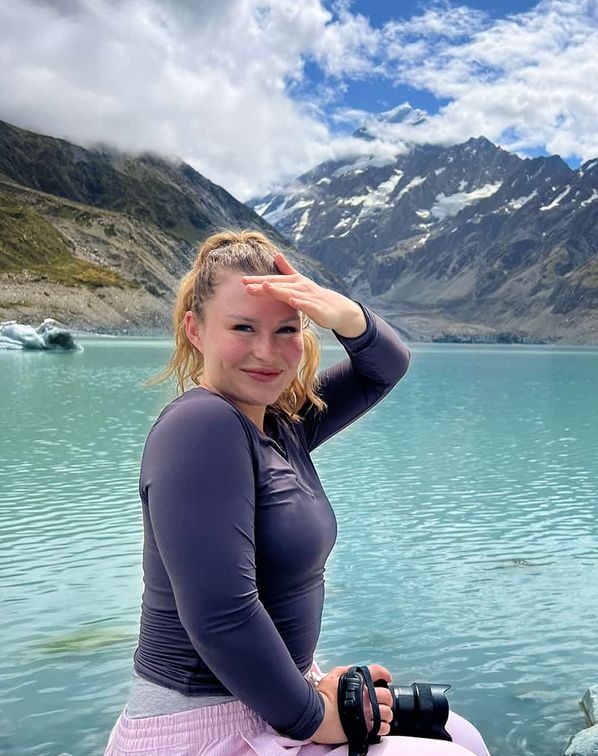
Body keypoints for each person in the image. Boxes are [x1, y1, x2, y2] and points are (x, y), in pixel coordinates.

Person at [104, 230, 490, 755]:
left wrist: (342, 312)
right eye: (242, 327)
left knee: (461, 735)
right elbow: (221, 618)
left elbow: (385, 366)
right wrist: (317, 718)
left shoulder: (280, 423)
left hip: (277, 698)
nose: (267, 352)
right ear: (195, 330)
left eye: (287, 329)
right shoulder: (201, 425)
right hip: (205, 725)